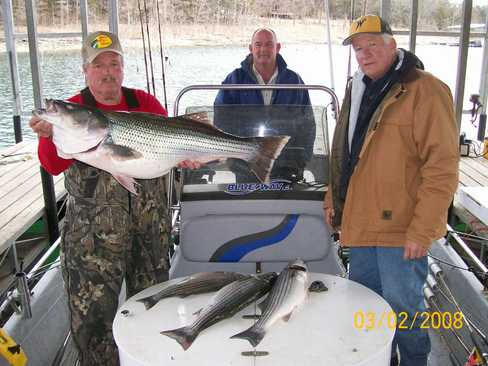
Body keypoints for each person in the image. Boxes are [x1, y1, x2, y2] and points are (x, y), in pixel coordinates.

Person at [29, 31, 199, 366]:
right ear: (85, 71)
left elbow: (172, 148)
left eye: (114, 63)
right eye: (98, 65)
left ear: (122, 68)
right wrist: (51, 135)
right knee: (94, 326)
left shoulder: (144, 104)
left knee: (151, 309)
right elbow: (51, 164)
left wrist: (187, 156)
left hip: (148, 237)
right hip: (91, 244)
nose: (108, 71)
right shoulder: (71, 113)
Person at [323, 15, 458, 366]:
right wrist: (332, 199)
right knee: (366, 308)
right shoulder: (358, 87)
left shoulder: (427, 90)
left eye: (372, 45)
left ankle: (415, 362)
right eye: (357, 48)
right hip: (362, 223)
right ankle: (383, 359)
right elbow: (345, 152)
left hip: (402, 229)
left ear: (392, 45)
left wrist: (422, 229)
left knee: (404, 309)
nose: (364, 54)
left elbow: (442, 168)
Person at [214, 27, 315, 183]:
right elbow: (221, 124)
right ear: (250, 48)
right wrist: (234, 161)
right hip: (245, 169)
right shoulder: (234, 80)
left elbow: (308, 127)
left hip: (286, 170)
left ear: (278, 47)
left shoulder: (294, 82)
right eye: (258, 44)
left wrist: (299, 161)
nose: (263, 49)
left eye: (269, 44)